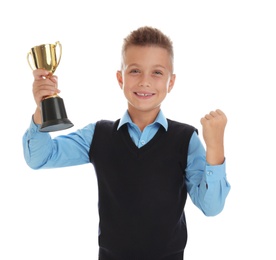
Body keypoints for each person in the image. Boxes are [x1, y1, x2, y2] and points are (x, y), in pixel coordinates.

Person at [23, 26, 231, 260]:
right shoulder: (98, 135)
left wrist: (215, 149)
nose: (144, 82)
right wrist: (42, 108)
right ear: (120, 78)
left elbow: (211, 207)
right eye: (134, 71)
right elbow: (40, 158)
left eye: (157, 73)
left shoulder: (185, 139)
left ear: (171, 82)